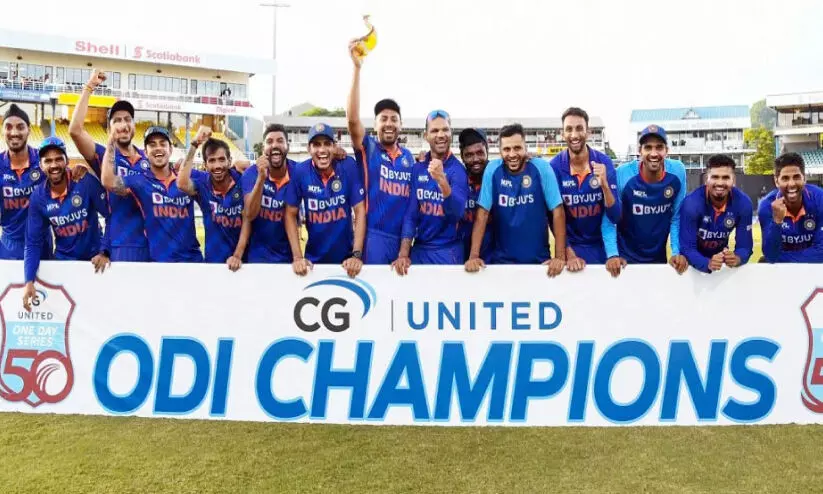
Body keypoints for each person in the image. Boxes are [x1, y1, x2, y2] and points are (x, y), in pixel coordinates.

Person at [464, 123, 567, 276]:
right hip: (502, 264)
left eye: (517, 148)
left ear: (526, 148)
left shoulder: (542, 168)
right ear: (500, 150)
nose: (512, 154)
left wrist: (559, 257)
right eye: (506, 149)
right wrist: (473, 256)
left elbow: (558, 211)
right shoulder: (493, 170)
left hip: (540, 264)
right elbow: (482, 214)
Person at [69, 69, 150, 262]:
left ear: (134, 125)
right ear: (109, 128)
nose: (123, 124)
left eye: (128, 119)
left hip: (152, 246)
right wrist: (89, 87)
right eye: (117, 121)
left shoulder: (148, 160)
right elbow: (75, 131)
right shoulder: (104, 156)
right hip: (120, 247)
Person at [346, 40, 415, 265]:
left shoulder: (409, 158)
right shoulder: (369, 148)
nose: (389, 123)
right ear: (375, 125)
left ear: (401, 125)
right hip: (374, 239)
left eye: (394, 119)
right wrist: (357, 69)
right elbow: (352, 120)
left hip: (403, 242)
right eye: (383, 119)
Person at [22, 137, 110, 310]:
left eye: (58, 159)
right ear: (40, 165)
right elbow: (33, 243)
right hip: (64, 263)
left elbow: (111, 215)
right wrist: (29, 281)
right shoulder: (38, 197)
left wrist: (105, 251)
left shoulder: (84, 181)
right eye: (48, 161)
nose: (54, 165)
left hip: (95, 262)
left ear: (67, 160)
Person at [101, 125, 203, 262]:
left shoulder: (186, 177)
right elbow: (108, 181)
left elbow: (219, 177)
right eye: (152, 145)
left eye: (163, 144)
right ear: (145, 152)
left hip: (193, 262)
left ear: (170, 149)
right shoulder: (140, 181)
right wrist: (111, 142)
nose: (158, 148)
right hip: (159, 264)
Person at [285, 123, 366, 278]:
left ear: (334, 147)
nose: (322, 150)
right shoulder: (300, 171)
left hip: (346, 262)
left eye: (327, 144)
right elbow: (289, 213)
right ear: (309, 149)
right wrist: (297, 257)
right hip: (313, 263)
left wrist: (356, 255)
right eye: (316, 145)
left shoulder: (348, 166)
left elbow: (360, 210)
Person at [392, 110, 468, 274]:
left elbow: (457, 214)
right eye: (435, 130)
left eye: (445, 129)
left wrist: (442, 181)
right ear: (426, 136)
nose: (440, 135)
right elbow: (411, 215)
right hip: (420, 251)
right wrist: (403, 253)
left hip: (448, 251)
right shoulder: (418, 168)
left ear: (451, 133)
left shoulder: (458, 171)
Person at [611, 125, 688, 277]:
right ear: (639, 151)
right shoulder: (622, 173)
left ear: (666, 151)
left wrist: (676, 252)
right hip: (625, 262)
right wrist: (613, 254)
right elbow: (611, 218)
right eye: (648, 147)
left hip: (658, 259)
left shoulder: (677, 171)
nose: (653, 153)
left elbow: (677, 217)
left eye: (659, 147)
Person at [549, 107, 620, 271]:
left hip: (600, 248)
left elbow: (615, 216)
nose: (574, 135)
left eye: (579, 128)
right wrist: (568, 253)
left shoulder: (604, 162)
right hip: (570, 249)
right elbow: (553, 217)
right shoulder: (555, 167)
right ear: (562, 134)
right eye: (569, 129)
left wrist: (605, 186)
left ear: (588, 132)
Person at [177, 126, 246, 270]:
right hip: (213, 264)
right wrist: (195, 144)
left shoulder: (242, 180)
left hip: (244, 263)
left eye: (221, 160)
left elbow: (250, 166)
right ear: (205, 165)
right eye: (212, 161)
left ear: (229, 161)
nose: (217, 165)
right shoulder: (203, 186)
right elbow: (181, 183)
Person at [679, 154, 753, 272]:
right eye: (715, 177)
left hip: (720, 263)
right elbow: (687, 248)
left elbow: (745, 247)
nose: (720, 183)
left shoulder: (743, 203)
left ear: (733, 180)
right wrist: (707, 263)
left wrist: (737, 258)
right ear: (706, 179)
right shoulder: (691, 204)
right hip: (694, 267)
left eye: (725, 177)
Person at [0, 104, 53, 260]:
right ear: (3, 131)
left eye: (20, 127)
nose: (14, 132)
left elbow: (67, 178)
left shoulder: (44, 160)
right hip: (10, 245)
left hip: (41, 244)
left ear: (29, 129)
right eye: (8, 127)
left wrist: (78, 171)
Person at [240, 123, 298, 264]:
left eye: (280, 141)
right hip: (257, 259)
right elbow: (250, 214)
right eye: (269, 142)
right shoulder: (251, 173)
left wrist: (336, 154)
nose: (275, 145)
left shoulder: (298, 172)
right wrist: (261, 178)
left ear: (288, 146)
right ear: (263, 148)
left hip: (288, 260)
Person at [759, 152, 823, 263]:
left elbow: (821, 252)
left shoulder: (820, 199)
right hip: (783, 271)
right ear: (776, 181)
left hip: (813, 269)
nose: (792, 184)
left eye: (796, 177)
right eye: (785, 178)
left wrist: (780, 258)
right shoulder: (767, 206)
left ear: (804, 178)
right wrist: (777, 221)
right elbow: (771, 254)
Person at [458, 127, 493, 263]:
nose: (475, 159)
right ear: (462, 156)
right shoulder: (457, 178)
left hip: (494, 258)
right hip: (461, 257)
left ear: (487, 151)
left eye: (480, 153)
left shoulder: (498, 175)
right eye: (469, 155)